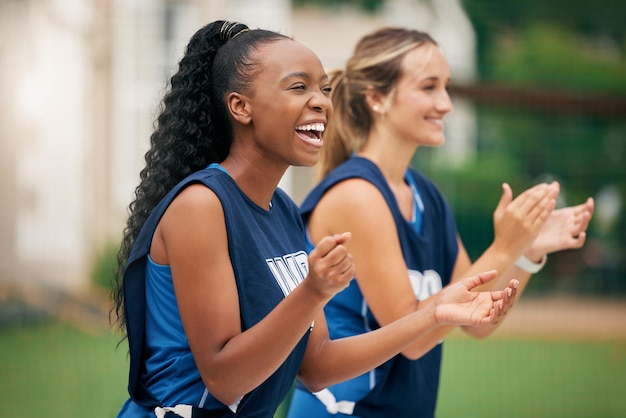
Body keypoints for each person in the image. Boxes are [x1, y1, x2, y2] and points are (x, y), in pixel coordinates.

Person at [111, 21, 519, 418]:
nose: (322, 100)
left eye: (324, 89)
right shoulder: (202, 205)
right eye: (298, 86)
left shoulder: (285, 210)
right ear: (240, 106)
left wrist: (432, 314)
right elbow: (226, 380)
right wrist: (313, 291)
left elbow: (318, 365)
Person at [286, 26, 595, 418]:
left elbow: (478, 320)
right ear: (377, 97)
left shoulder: (426, 195)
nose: (446, 104)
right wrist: (504, 246)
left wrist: (527, 250)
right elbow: (412, 337)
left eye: (446, 87)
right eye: (429, 87)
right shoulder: (357, 195)